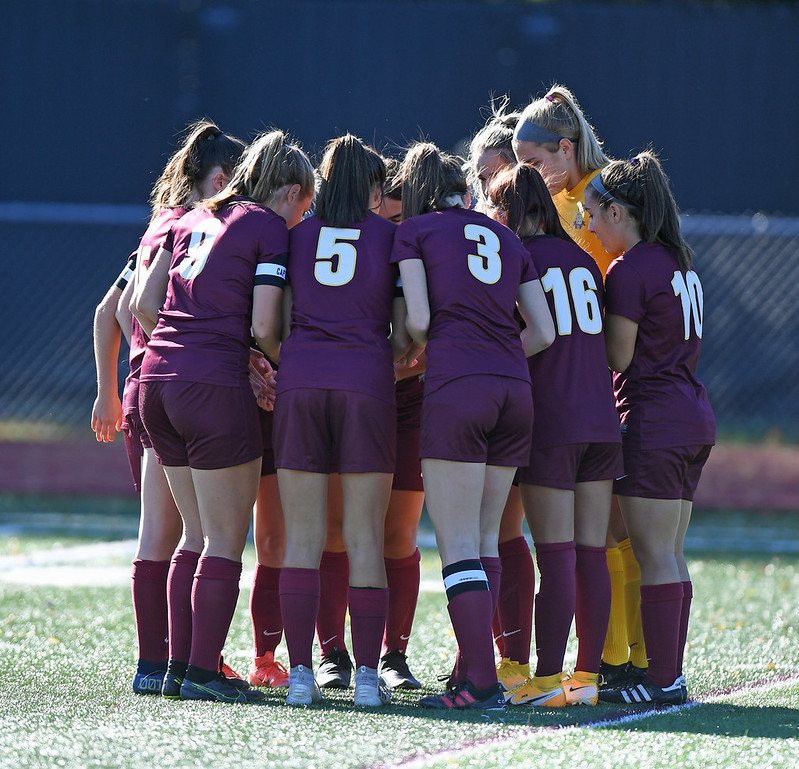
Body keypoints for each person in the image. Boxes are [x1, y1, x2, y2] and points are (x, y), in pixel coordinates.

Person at [132, 129, 315, 704]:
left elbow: (139, 303)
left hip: (157, 379)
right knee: (223, 542)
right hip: (211, 386)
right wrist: (278, 363)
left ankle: (170, 667)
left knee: (193, 533)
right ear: (289, 192)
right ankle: (203, 673)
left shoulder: (189, 217)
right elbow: (264, 325)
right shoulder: (265, 226)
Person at [391, 142, 555, 710]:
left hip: (460, 386)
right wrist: (493, 352)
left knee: (458, 543)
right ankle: (473, 670)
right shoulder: (506, 237)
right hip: (514, 388)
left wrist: (428, 354)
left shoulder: (413, 232)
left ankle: (480, 684)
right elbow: (544, 331)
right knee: (485, 538)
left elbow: (417, 319)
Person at [90, 120, 245, 695]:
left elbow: (111, 310)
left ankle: (156, 664)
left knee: (164, 533)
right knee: (192, 535)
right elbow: (132, 306)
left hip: (144, 388)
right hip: (178, 385)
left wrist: (109, 392)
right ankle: (186, 661)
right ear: (221, 178)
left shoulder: (162, 225)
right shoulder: (194, 227)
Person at [255, 134, 410, 708]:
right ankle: (367, 678)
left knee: (304, 537)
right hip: (366, 383)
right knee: (366, 536)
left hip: (301, 383)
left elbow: (268, 323)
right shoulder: (390, 237)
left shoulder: (293, 238)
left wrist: (290, 359)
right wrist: (379, 357)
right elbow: (406, 326)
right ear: (372, 187)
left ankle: (300, 676)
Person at [513, 86, 647, 684]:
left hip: (569, 397)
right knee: (600, 542)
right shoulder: (582, 206)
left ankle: (606, 662)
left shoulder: (588, 201)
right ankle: (607, 666)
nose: (529, 177)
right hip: (597, 397)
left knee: (577, 547)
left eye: (534, 163)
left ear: (565, 148)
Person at [486, 163, 623, 707]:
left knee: (556, 554)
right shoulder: (585, 260)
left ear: (512, 213)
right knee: (591, 552)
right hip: (600, 420)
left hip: (553, 422)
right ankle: (585, 678)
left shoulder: (514, 258)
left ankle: (545, 677)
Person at [584, 150, 715, 705]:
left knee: (656, 553)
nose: (589, 226)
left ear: (619, 212)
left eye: (593, 213)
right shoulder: (678, 262)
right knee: (668, 552)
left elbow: (618, 354)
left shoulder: (631, 268)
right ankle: (663, 673)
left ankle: (663, 678)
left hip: (655, 420)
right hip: (689, 415)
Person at [464, 99, 539, 695]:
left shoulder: (530, 235)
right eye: (481, 179)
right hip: (499, 387)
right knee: (491, 532)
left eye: (496, 178)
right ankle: (487, 658)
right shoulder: (477, 230)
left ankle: (508, 660)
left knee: (504, 533)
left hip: (519, 389)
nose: (488, 191)